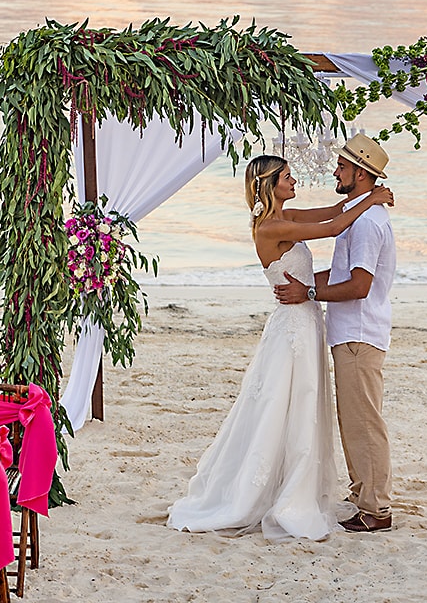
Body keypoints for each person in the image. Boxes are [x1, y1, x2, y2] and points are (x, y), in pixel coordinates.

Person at [167, 154, 393, 540]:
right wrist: (371, 200)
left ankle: (308, 486)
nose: (296, 181)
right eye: (288, 177)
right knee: (284, 402)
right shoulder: (271, 227)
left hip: (308, 322)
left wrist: (367, 194)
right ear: (270, 185)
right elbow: (335, 225)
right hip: (294, 323)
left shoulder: (288, 216)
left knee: (304, 403)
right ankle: (276, 490)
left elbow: (337, 209)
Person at [275, 134, 396, 533]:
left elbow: (359, 285)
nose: (335, 171)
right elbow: (341, 273)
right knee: (354, 418)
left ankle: (376, 508)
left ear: (360, 174)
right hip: (351, 331)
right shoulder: (361, 216)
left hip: (359, 333)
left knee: (363, 421)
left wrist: (309, 291)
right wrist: (306, 283)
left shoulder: (366, 225)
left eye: (342, 167)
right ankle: (364, 493)